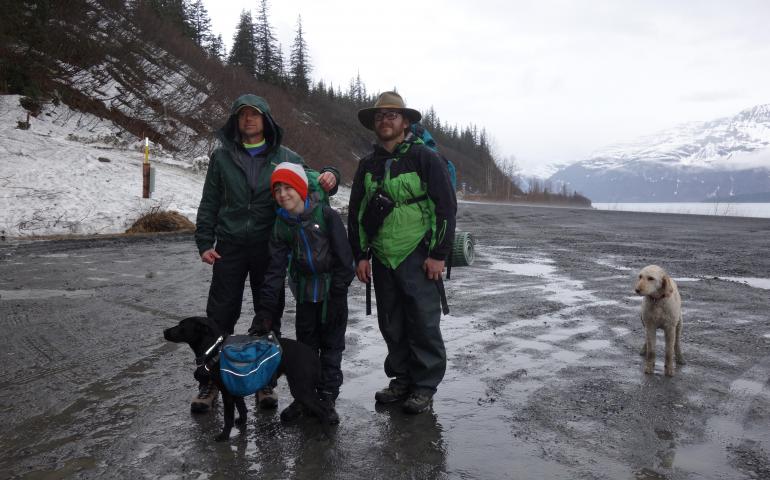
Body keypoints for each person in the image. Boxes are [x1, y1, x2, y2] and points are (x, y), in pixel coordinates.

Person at [193, 94, 339, 414]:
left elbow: (315, 179)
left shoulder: (285, 156)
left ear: (267, 121)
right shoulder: (222, 158)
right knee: (219, 315)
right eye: (242, 114)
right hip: (229, 245)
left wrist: (331, 173)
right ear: (235, 121)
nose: (248, 119)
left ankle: (265, 380)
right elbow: (209, 202)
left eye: (255, 114)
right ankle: (211, 381)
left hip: (269, 244)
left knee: (268, 311)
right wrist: (204, 240)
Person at [347, 91, 457, 414]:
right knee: (391, 322)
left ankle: (424, 387)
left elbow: (446, 208)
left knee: (423, 322)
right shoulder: (368, 165)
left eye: (391, 115)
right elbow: (357, 213)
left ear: (405, 122)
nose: (384, 120)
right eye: (380, 116)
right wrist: (361, 255)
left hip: (418, 254)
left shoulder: (425, 158)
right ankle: (402, 380)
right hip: (381, 256)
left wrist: (439, 254)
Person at [248, 162, 354, 424]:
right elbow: (274, 272)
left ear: (300, 188)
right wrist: (265, 312)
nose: (283, 194)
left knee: (331, 348)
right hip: (306, 294)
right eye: (278, 190)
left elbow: (345, 260)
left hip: (332, 295)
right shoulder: (281, 226)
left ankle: (326, 398)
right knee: (306, 349)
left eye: (288, 188)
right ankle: (305, 397)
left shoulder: (326, 216)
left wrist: (338, 294)